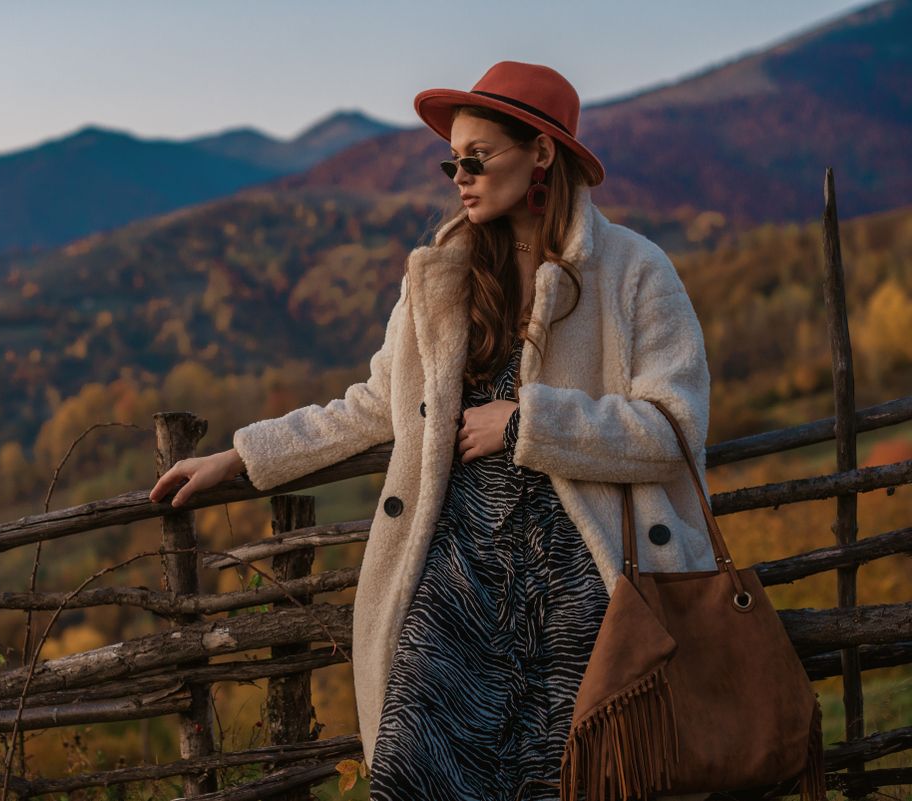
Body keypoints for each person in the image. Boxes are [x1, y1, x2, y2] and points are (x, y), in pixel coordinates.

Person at [149, 61, 715, 801]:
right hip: (454, 575)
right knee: (417, 770)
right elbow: (373, 403)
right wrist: (241, 457)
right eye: (453, 160)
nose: (460, 175)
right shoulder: (439, 280)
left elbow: (672, 429)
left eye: (477, 157)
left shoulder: (634, 271)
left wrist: (525, 421)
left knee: (578, 778)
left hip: (587, 573)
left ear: (542, 152)